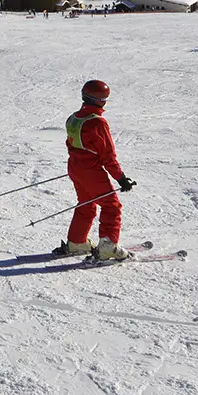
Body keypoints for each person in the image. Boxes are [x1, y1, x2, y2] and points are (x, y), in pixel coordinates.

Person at [53, 79, 136, 260]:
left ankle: (77, 242)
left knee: (86, 203)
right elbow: (108, 156)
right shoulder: (98, 123)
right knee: (111, 206)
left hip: (75, 167)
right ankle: (107, 247)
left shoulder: (73, 118)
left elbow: (71, 144)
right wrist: (121, 178)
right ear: (101, 101)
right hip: (91, 170)